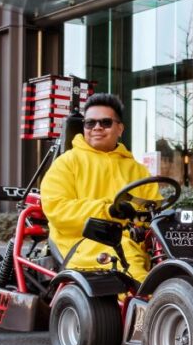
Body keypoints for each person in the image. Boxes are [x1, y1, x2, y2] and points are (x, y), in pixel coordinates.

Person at [41, 93, 157, 283]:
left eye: (105, 122)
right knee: (131, 266)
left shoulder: (138, 170)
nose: (97, 127)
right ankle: (152, 301)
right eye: (90, 123)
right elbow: (57, 208)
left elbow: (153, 209)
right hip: (82, 243)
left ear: (120, 128)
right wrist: (108, 211)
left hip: (134, 244)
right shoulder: (66, 163)